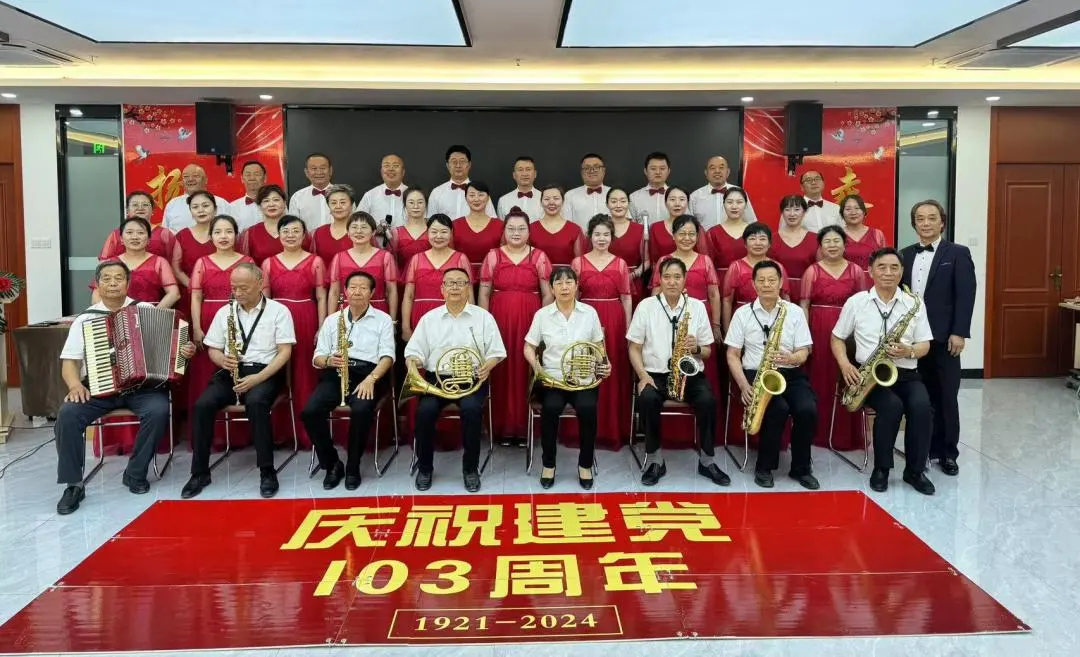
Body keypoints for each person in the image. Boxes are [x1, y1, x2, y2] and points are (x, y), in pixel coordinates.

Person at [54, 261, 194, 515]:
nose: (112, 283)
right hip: (99, 388)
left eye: (119, 278)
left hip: (143, 388)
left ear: (128, 284)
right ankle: (73, 485)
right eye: (106, 279)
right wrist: (74, 385)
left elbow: (173, 346)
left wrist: (184, 350)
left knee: (159, 410)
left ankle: (135, 473)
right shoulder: (85, 319)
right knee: (68, 414)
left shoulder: (144, 309)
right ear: (97, 285)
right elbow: (69, 362)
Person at [831, 247, 936, 495]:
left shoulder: (914, 304)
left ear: (902, 272)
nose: (888, 272)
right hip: (870, 375)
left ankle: (915, 471)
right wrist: (845, 365)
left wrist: (909, 351)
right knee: (891, 406)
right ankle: (882, 469)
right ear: (870, 271)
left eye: (894, 267)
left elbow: (925, 345)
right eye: (882, 267)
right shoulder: (857, 302)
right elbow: (837, 338)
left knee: (922, 408)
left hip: (907, 373)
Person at [627, 258, 729, 487]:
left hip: (689, 373)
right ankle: (655, 460)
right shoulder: (646, 306)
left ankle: (707, 460)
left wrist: (696, 348)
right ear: (659, 280)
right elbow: (633, 348)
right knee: (647, 399)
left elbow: (707, 352)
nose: (672, 282)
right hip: (655, 373)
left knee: (708, 401)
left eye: (677, 277)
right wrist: (643, 376)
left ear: (685, 280)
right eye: (667, 277)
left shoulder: (697, 307)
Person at [404, 268, 506, 493]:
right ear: (442, 289)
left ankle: (470, 469)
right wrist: (414, 362)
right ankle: (425, 468)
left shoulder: (483, 317)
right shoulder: (429, 319)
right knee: (425, 411)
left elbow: (497, 351)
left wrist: (488, 366)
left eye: (461, 283)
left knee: (471, 410)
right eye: (450, 283)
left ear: (469, 288)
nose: (455, 287)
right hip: (436, 381)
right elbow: (413, 352)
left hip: (472, 379)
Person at [725, 260, 819, 490]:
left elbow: (804, 350)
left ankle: (801, 468)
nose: (767, 285)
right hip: (755, 373)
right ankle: (764, 467)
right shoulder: (742, 314)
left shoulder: (794, 312)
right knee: (777, 409)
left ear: (781, 283)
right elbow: (732, 354)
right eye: (761, 280)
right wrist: (743, 385)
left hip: (790, 371)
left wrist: (793, 358)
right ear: (753, 284)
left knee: (807, 409)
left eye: (772, 280)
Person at [900, 200, 976, 477]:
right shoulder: (905, 254)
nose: (926, 223)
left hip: (945, 338)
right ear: (914, 224)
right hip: (913, 340)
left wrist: (959, 332)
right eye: (920, 219)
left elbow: (965, 295)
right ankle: (923, 450)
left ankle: (947, 453)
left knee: (946, 397)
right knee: (921, 397)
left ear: (942, 222)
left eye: (932, 218)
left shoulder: (957, 253)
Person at [303, 271, 395, 490]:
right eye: (353, 287)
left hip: (369, 374)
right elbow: (317, 358)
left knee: (361, 410)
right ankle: (332, 464)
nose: (357, 292)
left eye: (363, 288)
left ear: (372, 293)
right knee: (310, 412)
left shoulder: (383, 320)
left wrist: (371, 379)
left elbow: (388, 356)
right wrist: (329, 360)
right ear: (345, 291)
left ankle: (353, 465)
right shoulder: (332, 320)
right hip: (336, 373)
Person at [524, 266, 609, 490]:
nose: (564, 287)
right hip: (553, 379)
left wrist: (604, 362)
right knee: (551, 409)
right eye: (559, 283)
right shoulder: (542, 315)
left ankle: (585, 465)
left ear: (577, 286)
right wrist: (537, 367)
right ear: (551, 288)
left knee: (588, 409)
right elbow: (528, 347)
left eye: (569, 282)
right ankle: (548, 465)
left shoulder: (589, 313)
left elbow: (598, 345)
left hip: (583, 380)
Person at [479, 210, 553, 441]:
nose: (516, 233)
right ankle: (500, 427)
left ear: (529, 232)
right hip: (499, 320)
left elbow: (548, 294)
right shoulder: (493, 256)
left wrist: (541, 323)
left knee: (526, 368)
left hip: (530, 319)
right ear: (504, 231)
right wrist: (485, 324)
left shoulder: (539, 256)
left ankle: (525, 427)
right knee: (499, 368)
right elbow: (484, 293)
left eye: (521, 228)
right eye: (511, 228)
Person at [799, 226, 871, 450]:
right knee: (820, 377)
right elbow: (804, 305)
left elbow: (864, 304)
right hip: (819, 328)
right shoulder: (812, 271)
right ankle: (817, 432)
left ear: (845, 244)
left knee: (847, 376)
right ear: (820, 246)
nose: (832, 245)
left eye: (836, 241)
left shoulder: (856, 271)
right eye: (827, 241)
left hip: (849, 332)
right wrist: (804, 337)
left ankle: (846, 435)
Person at [261, 215, 328, 450]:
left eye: (296, 231)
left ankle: (308, 432)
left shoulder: (315, 261)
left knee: (305, 374)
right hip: (277, 321)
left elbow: (321, 296)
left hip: (306, 318)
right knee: (277, 373)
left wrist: (322, 327)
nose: (291, 236)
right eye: (286, 231)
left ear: (304, 235)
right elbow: (265, 299)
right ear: (278, 235)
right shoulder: (268, 263)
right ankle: (280, 432)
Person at [571, 215, 632, 449]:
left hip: (613, 319)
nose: (601, 238)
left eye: (606, 234)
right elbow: (573, 297)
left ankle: (611, 430)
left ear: (612, 237)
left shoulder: (620, 264)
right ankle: (583, 431)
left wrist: (627, 329)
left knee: (610, 373)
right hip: (586, 317)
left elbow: (626, 298)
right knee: (585, 369)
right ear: (590, 236)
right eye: (597, 234)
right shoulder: (578, 263)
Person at [189, 216, 255, 417]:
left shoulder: (247, 262)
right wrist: (197, 327)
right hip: (208, 317)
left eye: (228, 231)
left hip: (240, 317)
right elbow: (196, 296)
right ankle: (209, 424)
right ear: (210, 236)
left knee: (237, 365)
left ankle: (239, 427)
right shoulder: (202, 262)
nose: (223, 236)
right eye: (217, 232)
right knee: (206, 370)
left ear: (236, 235)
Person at [401, 215, 473, 341]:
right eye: (434, 232)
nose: (438, 236)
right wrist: (405, 327)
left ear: (451, 233)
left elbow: (468, 294)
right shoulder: (417, 259)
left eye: (444, 232)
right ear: (427, 233)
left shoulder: (461, 259)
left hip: (453, 315)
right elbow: (408, 296)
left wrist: (470, 322)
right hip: (421, 315)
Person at [91, 217, 179, 307]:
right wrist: (111, 313)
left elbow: (174, 294)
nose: (135, 237)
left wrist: (153, 313)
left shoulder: (160, 262)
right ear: (121, 239)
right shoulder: (109, 263)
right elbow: (96, 296)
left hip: (149, 313)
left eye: (140, 233)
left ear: (149, 239)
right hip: (114, 313)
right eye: (129, 232)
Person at [328, 211, 398, 320]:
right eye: (354, 227)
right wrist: (330, 321)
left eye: (364, 227)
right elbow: (334, 292)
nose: (359, 231)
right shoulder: (339, 258)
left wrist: (392, 321)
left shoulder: (385, 257)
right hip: (346, 312)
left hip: (378, 312)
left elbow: (391, 291)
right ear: (348, 232)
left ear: (373, 232)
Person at [722, 222, 791, 333]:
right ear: (745, 244)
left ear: (769, 243)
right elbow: (727, 301)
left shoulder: (778, 267)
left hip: (773, 319)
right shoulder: (736, 267)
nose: (757, 243)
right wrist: (727, 331)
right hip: (744, 320)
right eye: (752, 239)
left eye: (762, 239)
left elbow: (785, 298)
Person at [170, 191, 218, 316]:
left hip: (217, 296)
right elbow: (176, 269)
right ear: (191, 212)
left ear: (215, 209)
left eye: (205, 206)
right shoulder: (182, 236)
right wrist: (194, 287)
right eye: (195, 207)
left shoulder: (223, 235)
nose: (201, 210)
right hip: (188, 295)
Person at [100, 191, 175, 260]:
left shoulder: (165, 233)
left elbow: (174, 262)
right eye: (135, 205)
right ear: (127, 210)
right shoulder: (116, 234)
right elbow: (104, 261)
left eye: (145, 205)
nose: (140, 208)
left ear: (153, 210)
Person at [771, 195, 818, 303]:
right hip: (777, 293)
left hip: (808, 293)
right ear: (782, 213)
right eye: (787, 209)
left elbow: (820, 270)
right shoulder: (772, 239)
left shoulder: (815, 239)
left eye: (797, 209)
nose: (792, 214)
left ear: (804, 212)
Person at [452, 181, 503, 280]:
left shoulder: (500, 225)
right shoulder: (455, 225)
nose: (476, 199)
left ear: (488, 198)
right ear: (466, 198)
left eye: (481, 195)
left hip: (493, 277)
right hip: (460, 279)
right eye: (472, 195)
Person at [689, 155, 758, 229]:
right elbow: (688, 226)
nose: (717, 171)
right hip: (705, 237)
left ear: (728, 172)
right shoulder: (694, 197)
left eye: (721, 167)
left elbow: (751, 223)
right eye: (712, 168)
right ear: (706, 173)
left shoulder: (740, 193)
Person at [428, 145, 495, 219]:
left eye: (462, 161)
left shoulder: (481, 193)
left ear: (469, 165)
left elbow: (492, 219)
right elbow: (431, 221)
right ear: (447, 165)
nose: (458, 165)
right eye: (454, 162)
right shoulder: (436, 193)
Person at [238, 183, 298, 266]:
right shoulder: (250, 233)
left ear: (284, 203)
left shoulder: (298, 230)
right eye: (266, 201)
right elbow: (245, 266)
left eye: (276, 200)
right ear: (259, 206)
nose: (271, 204)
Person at [606, 187, 648, 301]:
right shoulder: (601, 228)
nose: (618, 205)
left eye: (623, 201)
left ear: (628, 204)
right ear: (607, 204)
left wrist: (633, 275)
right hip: (606, 281)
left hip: (633, 282)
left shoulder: (640, 229)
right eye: (613, 201)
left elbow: (647, 261)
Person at [529, 185, 586, 268]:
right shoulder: (531, 229)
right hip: (536, 275)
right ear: (541, 202)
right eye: (547, 199)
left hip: (566, 276)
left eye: (556, 198)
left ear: (563, 201)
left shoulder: (575, 229)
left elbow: (580, 263)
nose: (551, 202)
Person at [647, 186, 700, 271]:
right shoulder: (655, 228)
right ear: (665, 203)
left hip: (692, 273)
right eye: (672, 199)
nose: (677, 204)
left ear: (687, 203)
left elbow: (702, 257)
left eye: (682, 199)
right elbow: (653, 261)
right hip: (664, 275)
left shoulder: (696, 227)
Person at [162, 164, 229, 231]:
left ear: (205, 180)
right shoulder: (172, 204)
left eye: (195, 176)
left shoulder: (221, 203)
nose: (190, 179)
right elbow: (165, 234)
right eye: (186, 176)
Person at [706, 187, 753, 281]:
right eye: (730, 202)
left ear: (745, 205)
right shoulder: (713, 233)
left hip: (749, 281)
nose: (734, 206)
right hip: (720, 282)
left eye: (739, 202)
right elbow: (707, 265)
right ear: (724, 204)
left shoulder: (753, 231)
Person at [309, 184, 356, 264]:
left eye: (343, 202)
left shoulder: (361, 231)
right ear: (328, 206)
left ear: (351, 206)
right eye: (333, 203)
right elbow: (312, 263)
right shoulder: (319, 233)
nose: (338, 206)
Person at [358, 154, 408, 229]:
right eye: (386, 166)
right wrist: (374, 230)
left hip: (407, 237)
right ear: (381, 171)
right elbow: (358, 221)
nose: (391, 169)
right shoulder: (370, 195)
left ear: (403, 172)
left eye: (395, 166)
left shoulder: (413, 195)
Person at [288, 153, 337, 227]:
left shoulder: (344, 195)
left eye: (323, 168)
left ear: (330, 170)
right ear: (306, 172)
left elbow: (352, 222)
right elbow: (293, 226)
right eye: (314, 168)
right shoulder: (297, 197)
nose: (319, 172)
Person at [840, 194, 887, 270]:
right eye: (848, 209)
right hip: (844, 277)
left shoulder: (877, 234)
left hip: (872, 277)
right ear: (842, 213)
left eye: (857, 208)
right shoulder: (837, 235)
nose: (853, 212)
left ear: (864, 212)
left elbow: (885, 261)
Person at [564, 153, 610, 229]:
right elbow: (566, 225)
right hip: (579, 237)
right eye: (587, 168)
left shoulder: (615, 194)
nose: (591, 171)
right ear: (581, 172)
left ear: (604, 170)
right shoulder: (569, 196)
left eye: (596, 167)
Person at [390, 187, 430, 273]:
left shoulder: (434, 231)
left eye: (420, 202)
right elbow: (391, 263)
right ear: (405, 205)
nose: (416, 206)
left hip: (428, 278)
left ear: (426, 204)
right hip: (401, 279)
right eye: (411, 202)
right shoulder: (396, 233)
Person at [629, 152, 671, 222]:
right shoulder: (634, 198)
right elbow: (630, 225)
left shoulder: (679, 196)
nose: (658, 172)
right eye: (653, 168)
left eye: (662, 168)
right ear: (645, 171)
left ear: (668, 171)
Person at [497, 156, 542, 221]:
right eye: (520, 170)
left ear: (535, 174)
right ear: (514, 175)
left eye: (528, 169)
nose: (524, 174)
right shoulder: (503, 201)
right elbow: (502, 225)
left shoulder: (544, 199)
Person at [229, 160, 268, 231]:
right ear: (242, 179)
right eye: (248, 175)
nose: (252, 178)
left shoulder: (275, 204)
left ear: (265, 178)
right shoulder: (232, 207)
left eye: (257, 174)